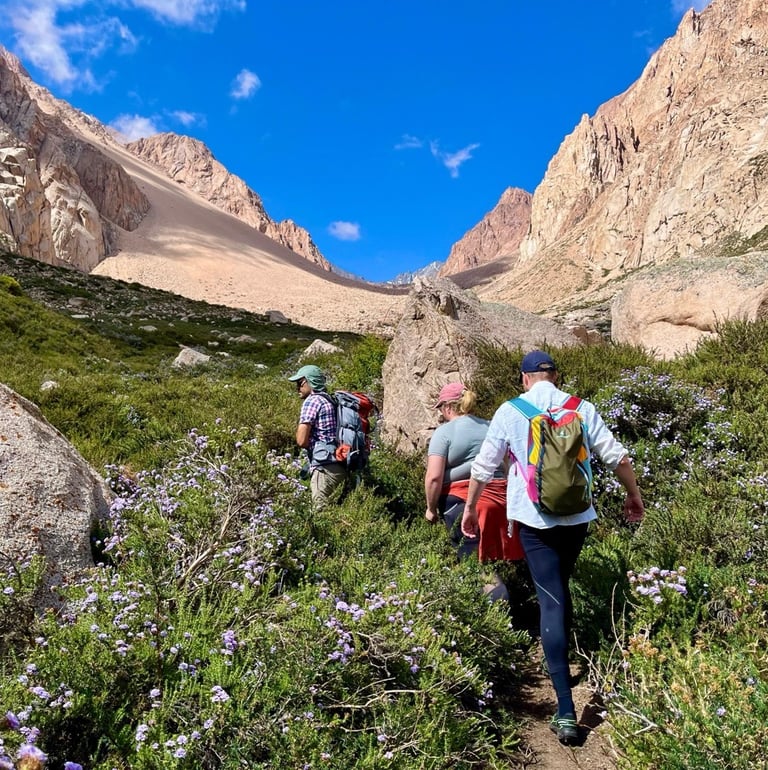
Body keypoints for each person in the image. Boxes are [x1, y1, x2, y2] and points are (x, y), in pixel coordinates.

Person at [461, 350, 644, 745]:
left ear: (525, 378)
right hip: (578, 518)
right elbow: (617, 456)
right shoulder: (581, 407)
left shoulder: (512, 410)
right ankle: (569, 659)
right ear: (555, 376)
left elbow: (484, 466)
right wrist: (634, 495)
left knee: (551, 599)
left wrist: (472, 508)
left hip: (534, 520)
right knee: (560, 586)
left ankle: (565, 711)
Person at [424, 382, 521, 601]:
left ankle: (494, 617)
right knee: (489, 559)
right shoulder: (490, 426)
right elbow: (507, 465)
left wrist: (431, 509)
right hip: (501, 500)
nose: (441, 414)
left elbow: (434, 478)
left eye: (441, 409)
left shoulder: (444, 433)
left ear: (448, 407)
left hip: (464, 502)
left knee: (475, 564)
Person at [288, 364, 346, 509]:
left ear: (310, 382)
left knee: (321, 512)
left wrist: (313, 447)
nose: (297, 388)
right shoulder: (328, 399)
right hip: (339, 463)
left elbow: (301, 440)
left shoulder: (312, 401)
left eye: (300, 383)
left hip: (324, 466)